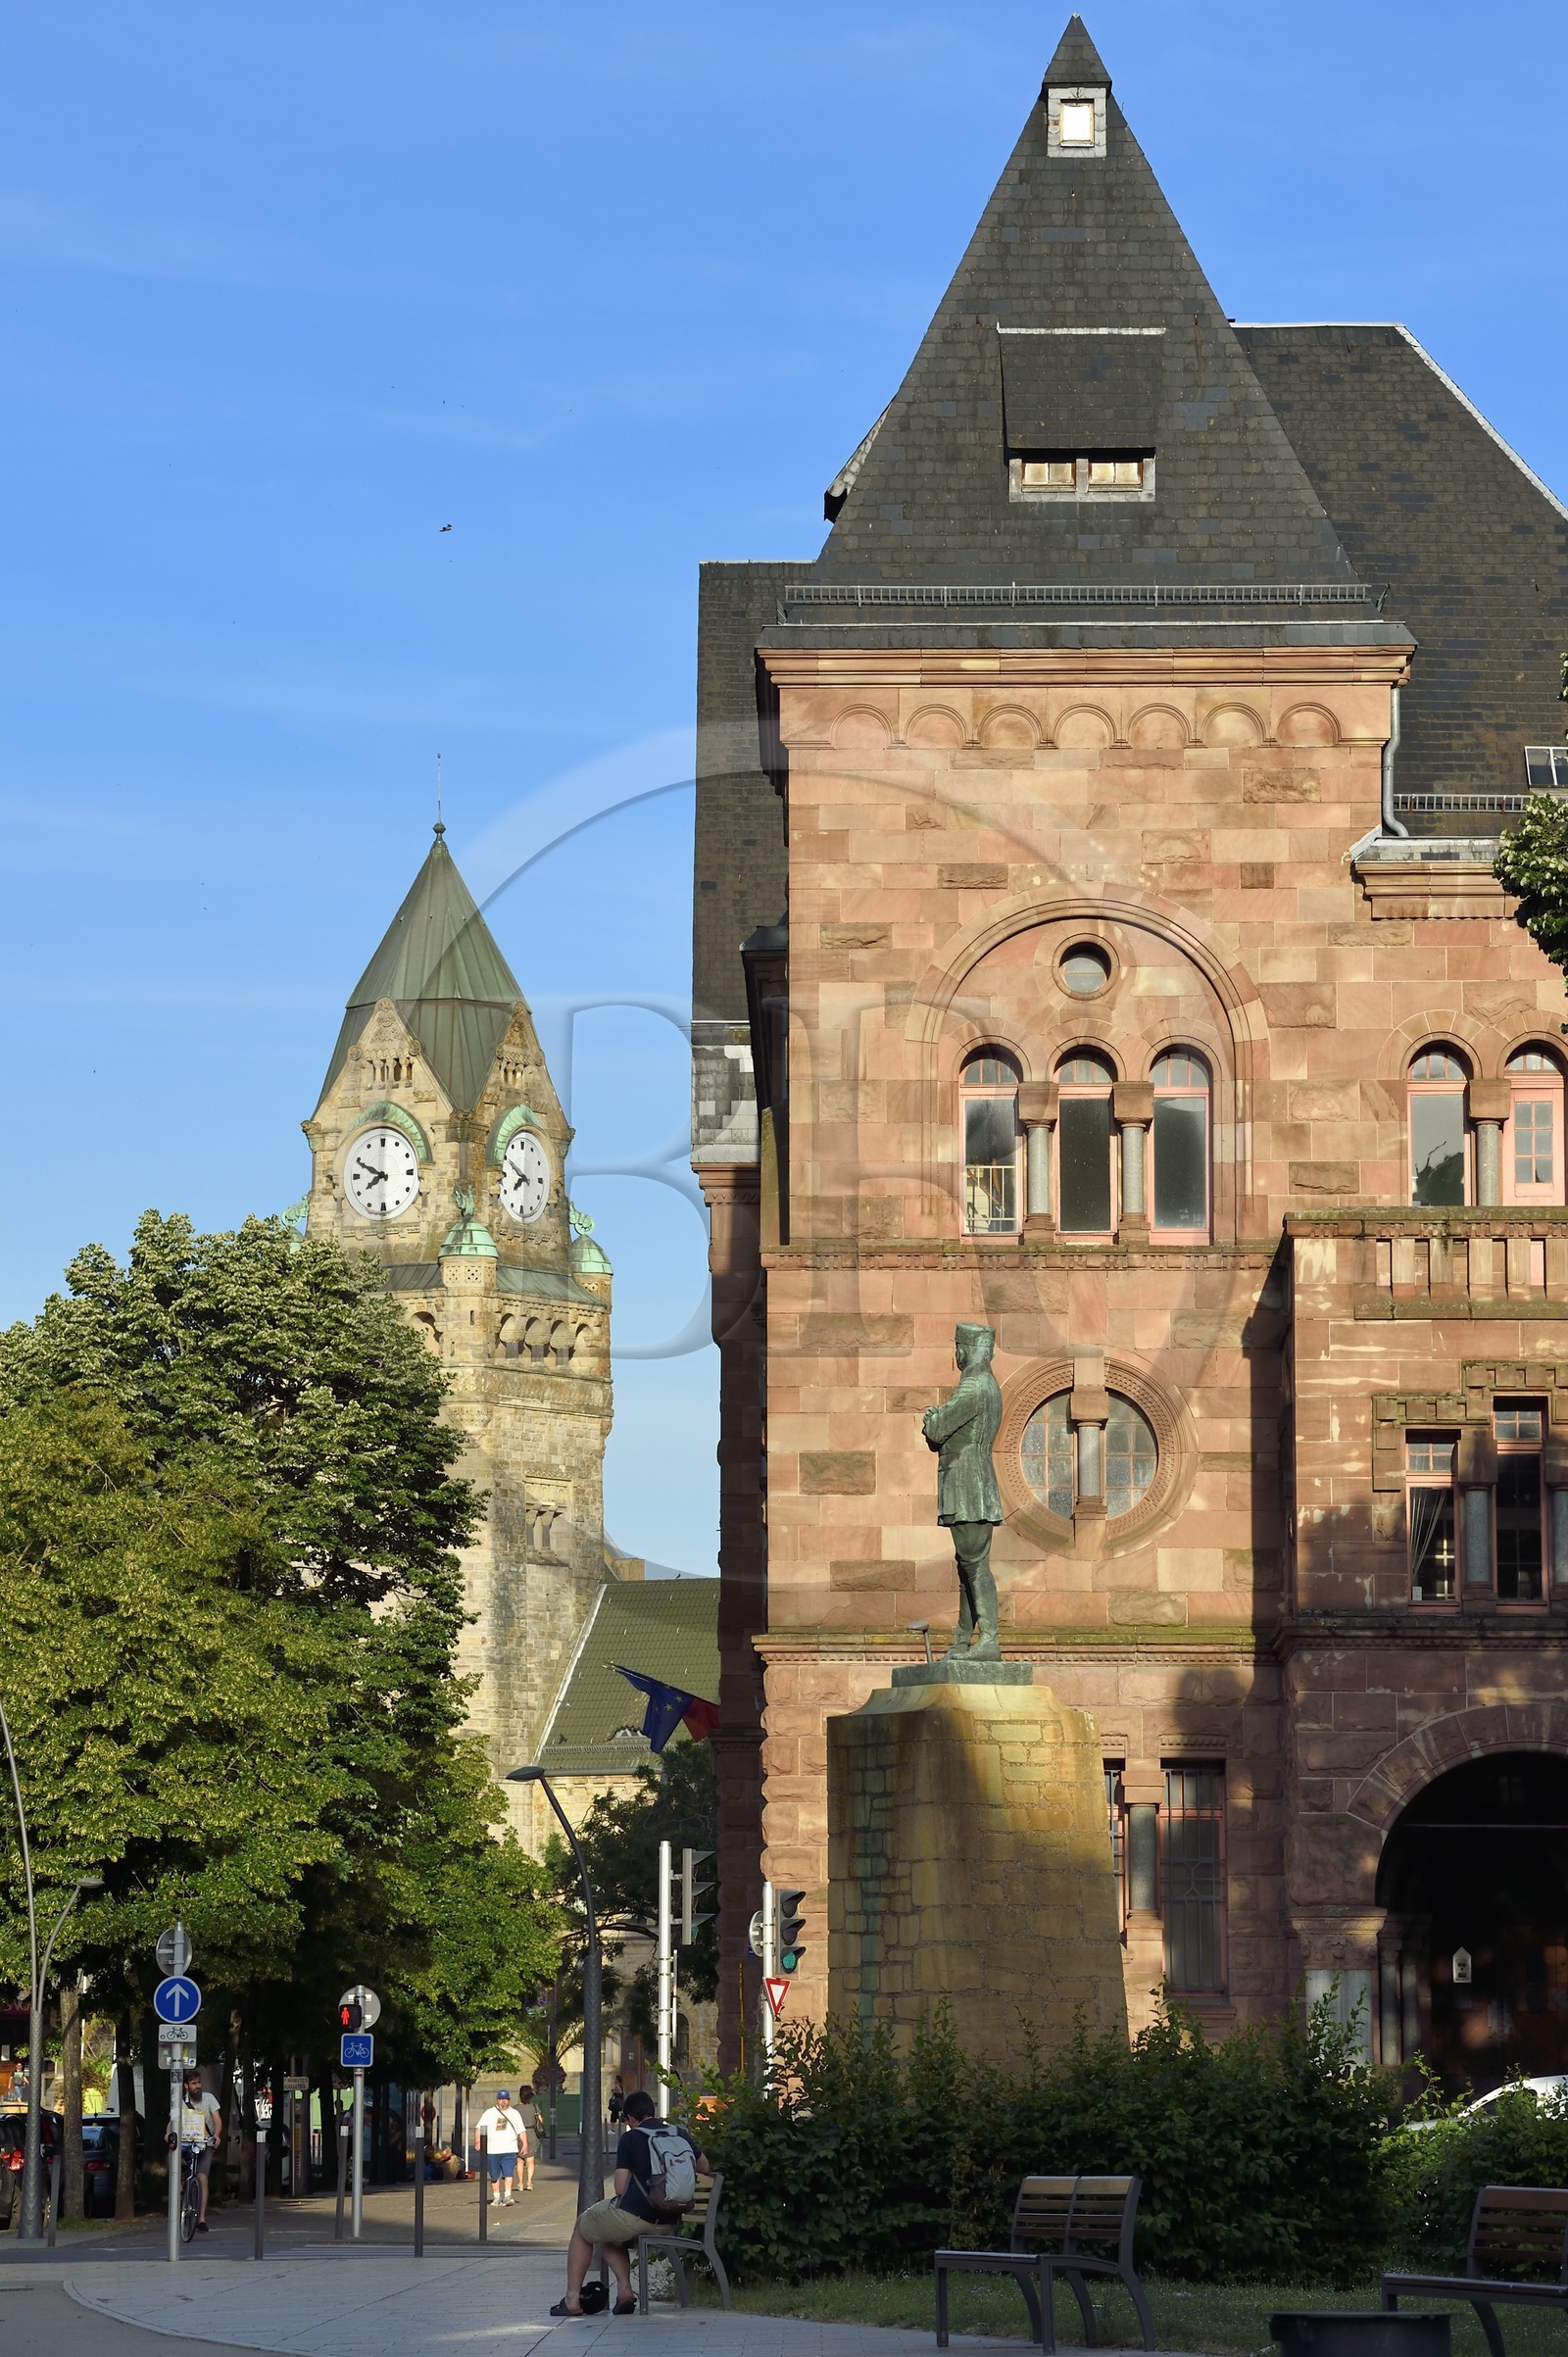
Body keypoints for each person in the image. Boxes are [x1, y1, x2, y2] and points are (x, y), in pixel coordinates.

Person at [551, 2089, 710, 2319]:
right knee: (607, 2233)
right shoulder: (679, 2133)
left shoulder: (631, 2138)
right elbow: (704, 2166)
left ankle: (573, 2298)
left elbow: (619, 2187)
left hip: (636, 2218)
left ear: (631, 2118)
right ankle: (624, 2292)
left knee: (582, 2228)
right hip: (669, 2219)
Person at [169, 2068, 222, 2233]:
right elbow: (172, 2120)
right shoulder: (180, 2100)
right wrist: (167, 2134)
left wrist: (217, 2136)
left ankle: (201, 2219)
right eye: (193, 2083)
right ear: (186, 2086)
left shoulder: (209, 2099)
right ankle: (180, 2191)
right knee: (172, 2163)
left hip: (204, 2143)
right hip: (185, 2142)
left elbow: (217, 2120)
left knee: (202, 2177)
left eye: (199, 2083)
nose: (197, 2086)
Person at [473, 2089, 525, 2205]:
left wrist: (525, 2144)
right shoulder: (489, 2113)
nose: (503, 2102)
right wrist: (477, 2141)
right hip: (493, 2150)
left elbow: (521, 2130)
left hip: (510, 2149)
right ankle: (496, 2197)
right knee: (494, 2174)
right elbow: (479, 2128)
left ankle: (507, 2196)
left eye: (506, 2099)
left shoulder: (515, 2113)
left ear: (509, 2100)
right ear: (497, 2100)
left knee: (508, 2173)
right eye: (501, 2099)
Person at [515, 2085, 537, 2191]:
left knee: (520, 2160)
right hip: (531, 2133)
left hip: (519, 2134)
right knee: (530, 2160)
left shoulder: (515, 2109)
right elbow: (541, 2120)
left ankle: (520, 2183)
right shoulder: (534, 2107)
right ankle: (529, 2182)